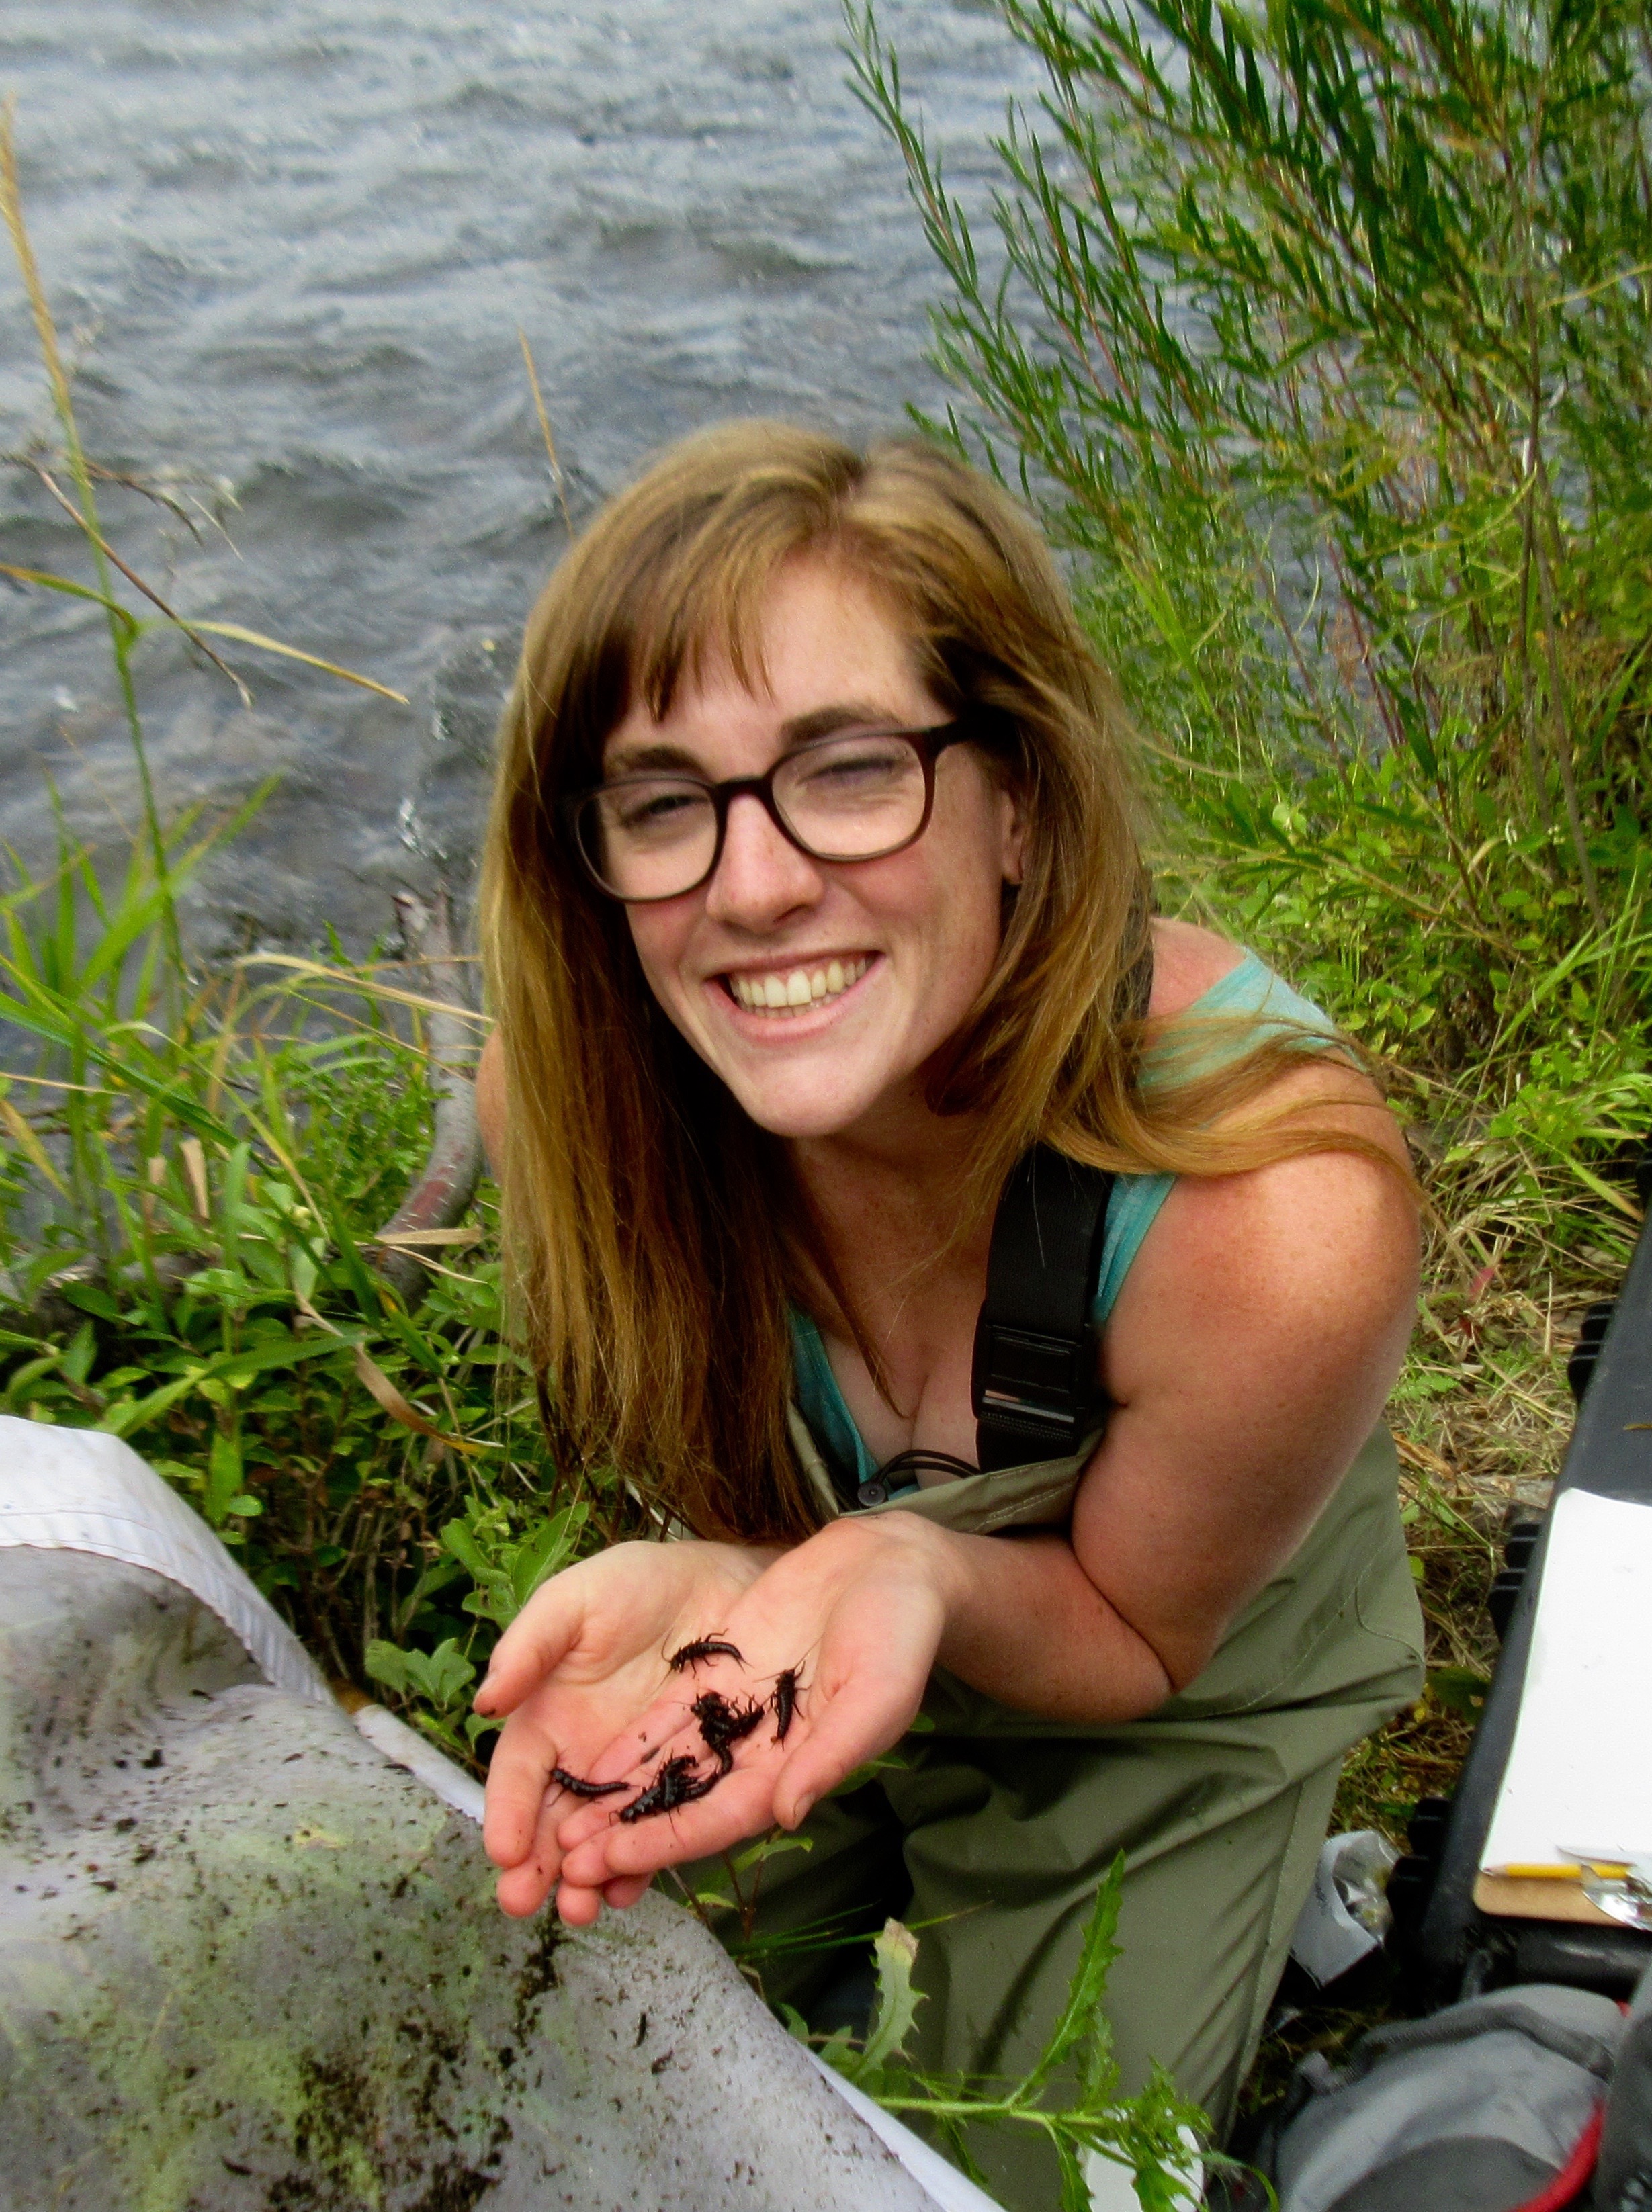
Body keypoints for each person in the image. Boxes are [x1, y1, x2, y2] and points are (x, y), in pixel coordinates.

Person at [470, 422, 1424, 2209]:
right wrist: (746, 1585)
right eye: (665, 802)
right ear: (588, 862)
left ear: (1018, 800)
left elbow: (1138, 1640)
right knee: (531, 2025)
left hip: (1162, 1676)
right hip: (823, 1616)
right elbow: (765, 1525)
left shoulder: (1274, 1212)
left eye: (845, 770)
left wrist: (915, 1575)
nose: (750, 886)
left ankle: (1265, 1881)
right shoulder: (574, 1114)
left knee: (1006, 2180)